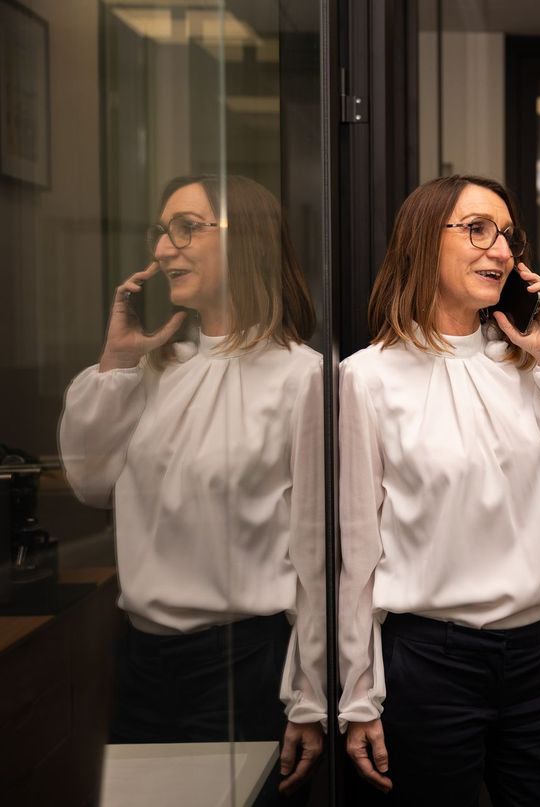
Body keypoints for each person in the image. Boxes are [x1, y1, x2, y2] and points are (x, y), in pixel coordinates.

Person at [338, 174, 540, 805]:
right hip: (428, 664)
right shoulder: (367, 379)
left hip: (538, 658)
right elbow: (352, 554)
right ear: (419, 244)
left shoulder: (532, 369)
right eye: (477, 230)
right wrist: (356, 693)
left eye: (508, 236)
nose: (501, 250)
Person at [58, 175, 326, 797]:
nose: (161, 250)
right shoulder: (155, 370)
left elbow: (319, 553)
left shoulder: (301, 377)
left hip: (246, 666)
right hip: (141, 663)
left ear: (247, 244)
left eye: (185, 228)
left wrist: (311, 690)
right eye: (161, 231)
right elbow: (90, 483)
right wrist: (117, 362)